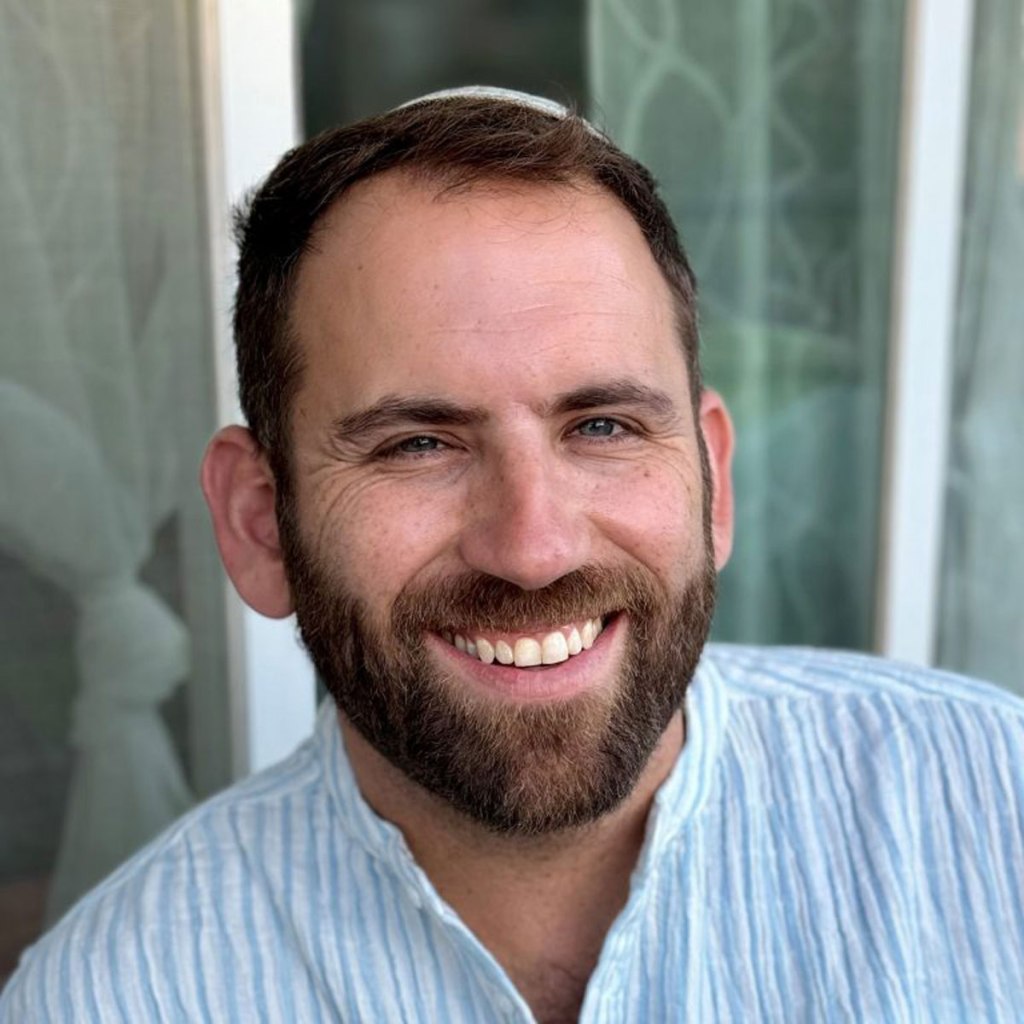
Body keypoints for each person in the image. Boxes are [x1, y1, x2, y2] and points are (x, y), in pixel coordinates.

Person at [3, 86, 1023, 1024]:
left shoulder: (995, 814)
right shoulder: (111, 998)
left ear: (711, 479)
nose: (532, 549)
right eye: (419, 444)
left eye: (605, 427)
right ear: (261, 523)